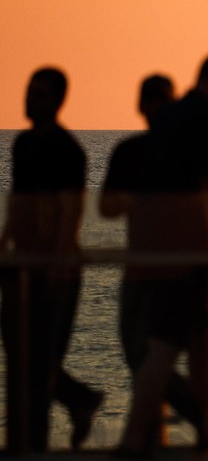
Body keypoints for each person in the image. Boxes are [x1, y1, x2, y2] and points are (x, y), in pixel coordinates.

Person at [118, 50, 208, 455]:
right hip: (189, 260)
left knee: (162, 351)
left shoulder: (169, 117)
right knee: (191, 354)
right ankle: (149, 439)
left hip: (156, 253)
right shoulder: (205, 120)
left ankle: (161, 438)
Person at [0, 67, 103, 451]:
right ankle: (76, 403)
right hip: (22, 267)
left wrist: (59, 262)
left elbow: (70, 208)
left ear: (58, 100)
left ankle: (35, 441)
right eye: (29, 91)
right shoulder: (22, 144)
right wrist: (6, 243)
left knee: (41, 357)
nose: (30, 99)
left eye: (40, 94)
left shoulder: (68, 150)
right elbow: (19, 201)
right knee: (20, 352)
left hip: (54, 269)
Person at [98, 75, 204, 445]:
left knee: (146, 357)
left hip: (163, 272)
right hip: (150, 271)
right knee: (142, 357)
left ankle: (149, 437)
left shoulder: (163, 154)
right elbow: (107, 206)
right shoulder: (132, 152)